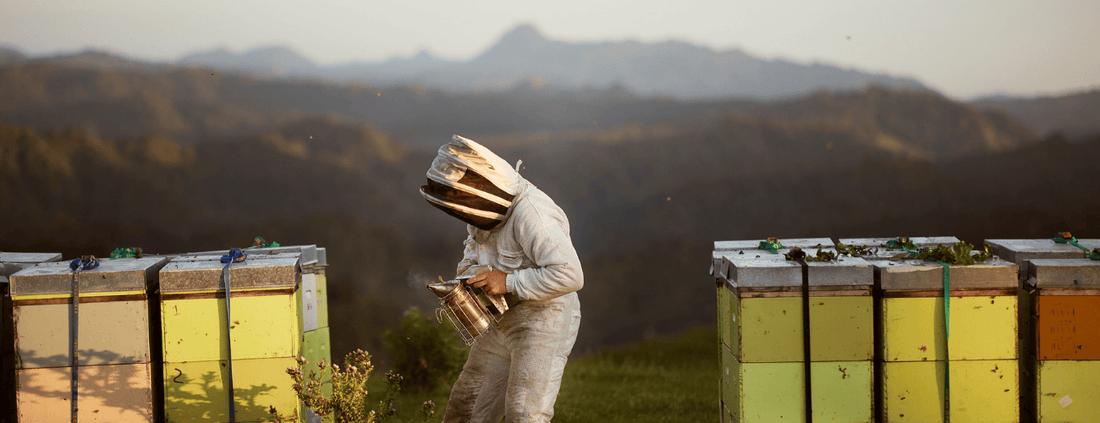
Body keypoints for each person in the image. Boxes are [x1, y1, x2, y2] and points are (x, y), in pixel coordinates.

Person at [420, 135, 583, 422]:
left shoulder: (533, 215)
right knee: (466, 406)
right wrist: (469, 276)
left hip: (546, 318)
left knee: (524, 413)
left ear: (483, 186)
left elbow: (570, 274)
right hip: (501, 318)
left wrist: (506, 282)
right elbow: (472, 249)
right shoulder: (481, 212)